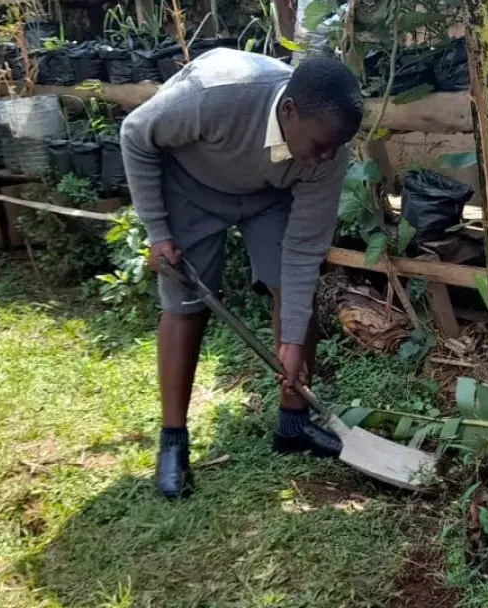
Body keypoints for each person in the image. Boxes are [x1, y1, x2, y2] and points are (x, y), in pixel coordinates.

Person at [120, 49, 363, 500]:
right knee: (185, 305)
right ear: (289, 111)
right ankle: (173, 440)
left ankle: (292, 423)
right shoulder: (215, 96)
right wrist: (157, 232)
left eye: (336, 147)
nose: (327, 156)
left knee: (294, 291)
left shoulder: (327, 150)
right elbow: (135, 133)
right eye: (320, 145)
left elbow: (304, 249)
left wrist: (291, 342)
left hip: (267, 195)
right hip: (189, 185)